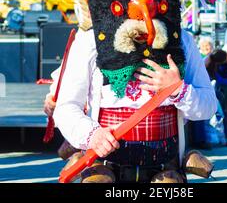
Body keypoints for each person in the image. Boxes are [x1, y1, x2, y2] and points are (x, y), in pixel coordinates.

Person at [53, 26, 217, 183]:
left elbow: (208, 107)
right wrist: (93, 135)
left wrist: (179, 90)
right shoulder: (89, 40)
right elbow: (66, 108)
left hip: (166, 167)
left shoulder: (182, 40)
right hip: (104, 167)